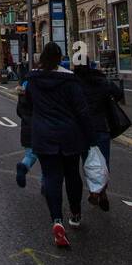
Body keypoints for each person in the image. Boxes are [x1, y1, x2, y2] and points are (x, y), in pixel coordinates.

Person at [24, 42, 94, 247]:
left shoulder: (33, 80)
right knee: (72, 175)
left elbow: (27, 106)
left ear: (41, 58)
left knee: (52, 178)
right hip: (69, 135)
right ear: (60, 58)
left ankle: (57, 220)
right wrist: (91, 138)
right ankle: (75, 213)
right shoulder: (70, 81)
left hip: (44, 136)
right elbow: (82, 111)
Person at [72, 62, 125, 212]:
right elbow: (119, 94)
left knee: (88, 162)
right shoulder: (101, 80)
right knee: (103, 162)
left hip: (82, 129)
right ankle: (101, 191)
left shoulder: (74, 83)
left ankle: (94, 191)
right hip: (101, 127)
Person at [14, 77, 37, 187]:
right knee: (47, 161)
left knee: (30, 154)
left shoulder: (25, 85)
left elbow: (19, 111)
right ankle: (45, 185)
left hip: (27, 126)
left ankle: (24, 166)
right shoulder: (42, 84)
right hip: (42, 126)